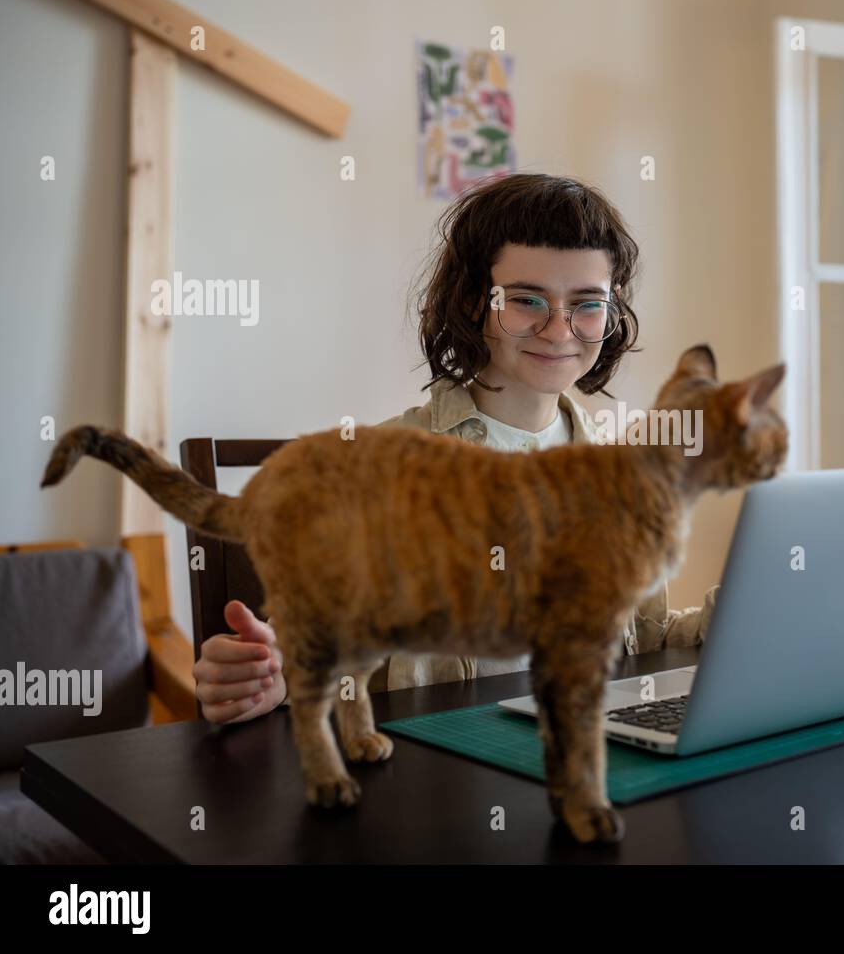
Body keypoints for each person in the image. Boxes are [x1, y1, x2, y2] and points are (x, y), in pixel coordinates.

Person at [193, 174, 718, 724]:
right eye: (526, 300)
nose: (560, 330)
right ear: (472, 301)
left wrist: (733, 616)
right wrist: (267, 673)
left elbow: (648, 646)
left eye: (587, 304)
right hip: (439, 781)